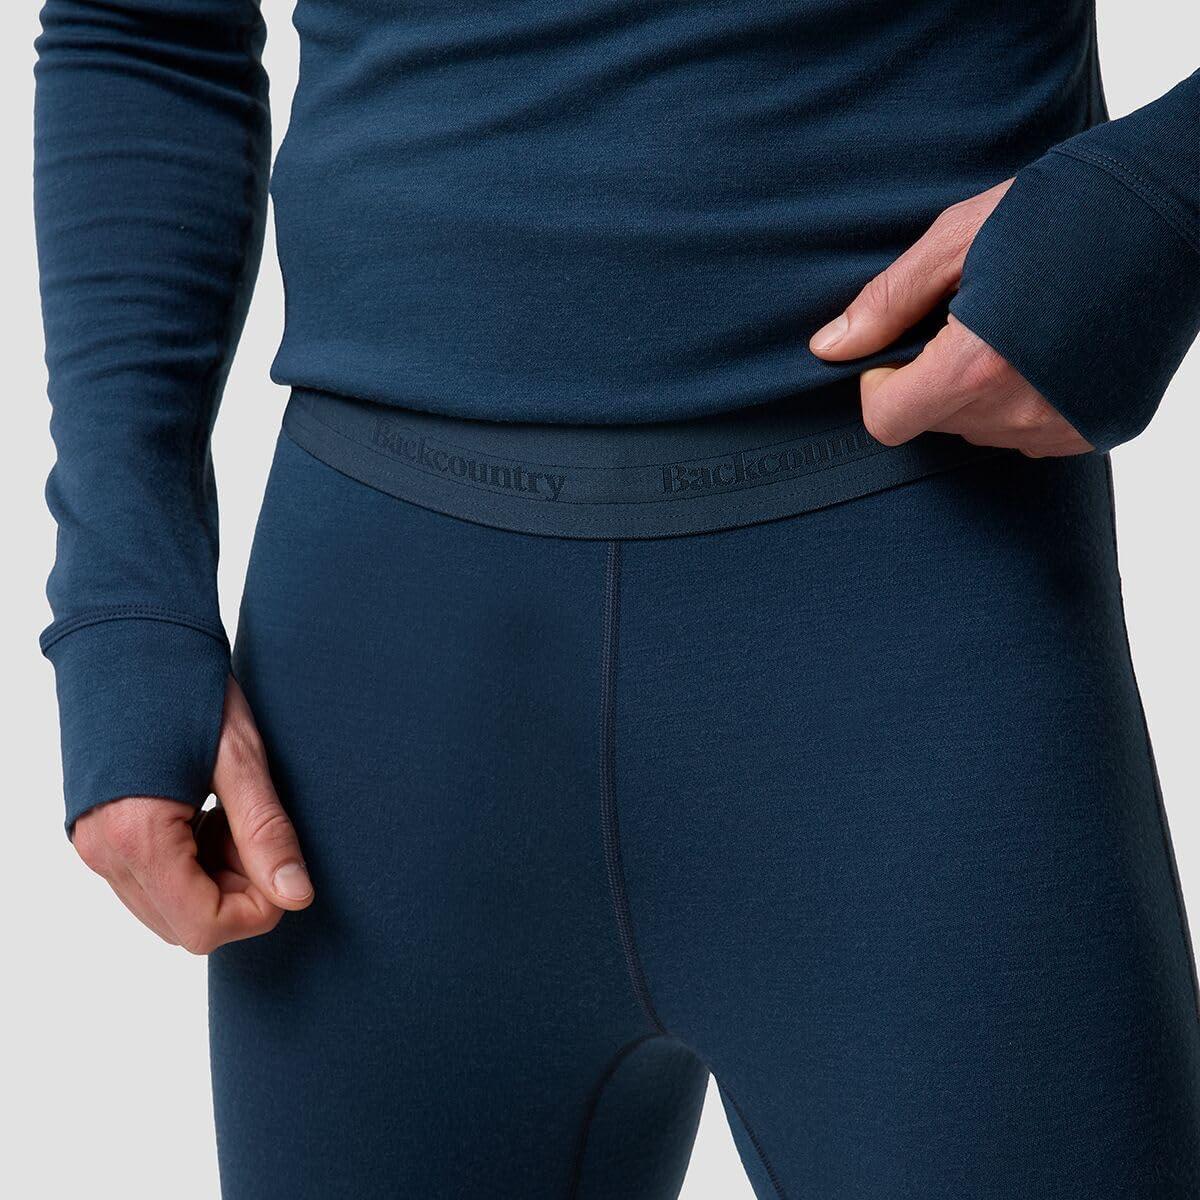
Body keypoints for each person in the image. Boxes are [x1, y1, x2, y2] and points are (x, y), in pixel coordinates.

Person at [32, 1, 1199, 1196]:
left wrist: (1167, 194)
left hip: (919, 616)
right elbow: (146, 29)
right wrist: (124, 598)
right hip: (381, 682)